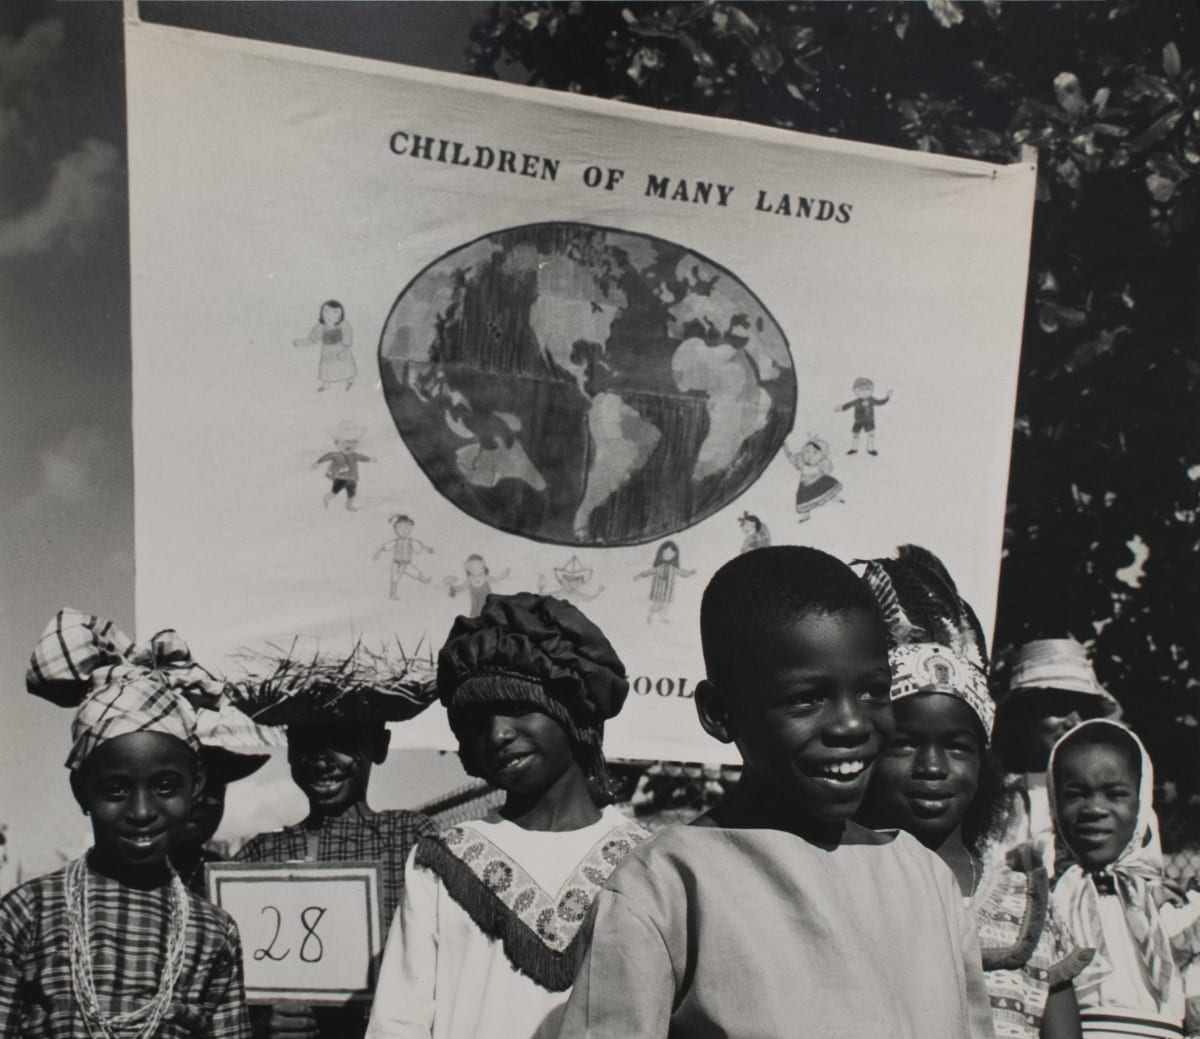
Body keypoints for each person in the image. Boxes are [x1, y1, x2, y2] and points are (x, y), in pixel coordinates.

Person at [556, 546, 994, 1039]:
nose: (852, 723)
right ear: (719, 713)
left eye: (873, 690)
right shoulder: (667, 884)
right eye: (807, 698)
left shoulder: (925, 880)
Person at [366, 593, 650, 1039]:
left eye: (518, 708)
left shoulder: (647, 862)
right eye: (477, 722)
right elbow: (398, 1021)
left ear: (573, 714)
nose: (497, 734)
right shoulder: (445, 858)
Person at [855, 545, 1090, 1039]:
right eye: (905, 743)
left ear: (984, 763)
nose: (934, 767)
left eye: (958, 747)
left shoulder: (1028, 905)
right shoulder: (837, 882)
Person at [0, 609, 251, 1038]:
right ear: (82, 790)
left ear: (196, 788)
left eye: (165, 787)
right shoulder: (28, 912)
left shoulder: (213, 931)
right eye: (115, 790)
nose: (140, 811)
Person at [229, 646, 439, 1039]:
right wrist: (256, 1024)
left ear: (379, 745)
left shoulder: (414, 839)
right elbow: (223, 982)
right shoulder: (257, 857)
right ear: (289, 749)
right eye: (306, 741)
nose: (321, 758)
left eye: (341, 739)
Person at [1049, 720, 1200, 1039]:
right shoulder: (1044, 906)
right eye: (1075, 795)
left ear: (1142, 802)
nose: (1095, 809)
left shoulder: (1175, 911)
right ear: (1054, 802)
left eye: (1115, 794)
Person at [995, 639, 1122, 870]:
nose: (1074, 721)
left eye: (1085, 709)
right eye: (1059, 706)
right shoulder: (993, 798)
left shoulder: (1116, 798)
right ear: (1024, 714)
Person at [171, 744, 269, 897]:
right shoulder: (128, 875)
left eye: (212, 789)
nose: (199, 800)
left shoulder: (225, 875)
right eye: (188, 789)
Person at [294, 299, 356, 392]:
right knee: (326, 369)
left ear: (341, 315)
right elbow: (313, 339)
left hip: (341, 349)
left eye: (335, 312)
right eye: (326, 311)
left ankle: (350, 381)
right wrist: (302, 343)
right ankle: (326, 385)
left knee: (346, 366)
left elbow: (348, 337)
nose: (330, 316)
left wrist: (344, 348)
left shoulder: (344, 325)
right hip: (327, 350)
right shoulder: (320, 326)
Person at [782, 435, 844, 521]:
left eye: (815, 452)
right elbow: (791, 457)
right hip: (805, 484)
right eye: (807, 451)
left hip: (820, 480)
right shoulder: (801, 462)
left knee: (826, 489)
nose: (810, 455)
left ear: (822, 454)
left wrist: (821, 469)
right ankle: (806, 515)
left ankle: (833, 497)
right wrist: (786, 448)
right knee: (805, 499)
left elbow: (827, 468)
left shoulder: (822, 463)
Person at [633, 540, 694, 624]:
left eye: (671, 553)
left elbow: (683, 573)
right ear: (661, 553)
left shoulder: (673, 568)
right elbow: (648, 572)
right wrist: (639, 575)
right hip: (659, 591)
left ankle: (662, 617)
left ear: (675, 555)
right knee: (656, 604)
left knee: (666, 605)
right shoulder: (658, 567)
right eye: (666, 553)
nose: (669, 555)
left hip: (668, 592)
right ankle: (650, 615)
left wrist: (690, 573)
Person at [835, 376, 891, 455]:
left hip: (869, 420)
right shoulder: (856, 401)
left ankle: (870, 449)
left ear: (872, 389)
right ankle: (854, 449)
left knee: (871, 433)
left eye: (868, 388)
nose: (865, 391)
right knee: (855, 434)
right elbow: (848, 405)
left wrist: (887, 397)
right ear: (856, 391)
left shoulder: (872, 399)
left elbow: (880, 402)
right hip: (858, 421)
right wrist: (841, 408)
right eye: (862, 389)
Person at [314, 435, 373, 511]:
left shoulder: (354, 455)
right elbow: (326, 456)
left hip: (352, 478)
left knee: (352, 493)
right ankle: (327, 498)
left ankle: (349, 506)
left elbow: (362, 457)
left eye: (351, 444)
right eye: (343, 444)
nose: (347, 446)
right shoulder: (335, 455)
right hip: (340, 478)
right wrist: (318, 462)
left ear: (355, 445)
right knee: (334, 492)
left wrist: (370, 459)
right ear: (337, 445)